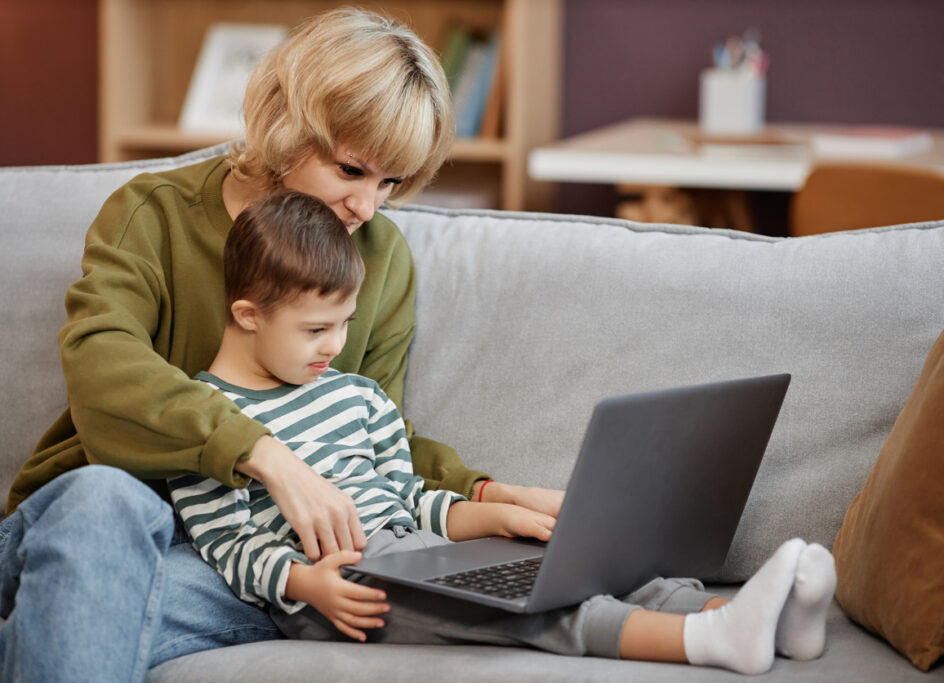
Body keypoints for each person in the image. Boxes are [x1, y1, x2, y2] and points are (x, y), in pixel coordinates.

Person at [0, 8, 560, 682]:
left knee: (104, 618)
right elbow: (101, 365)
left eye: (390, 182)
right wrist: (268, 457)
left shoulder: (381, 257)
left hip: (236, 563)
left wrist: (491, 491)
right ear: (286, 125)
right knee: (104, 505)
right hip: (104, 520)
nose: (366, 207)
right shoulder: (153, 214)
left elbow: (374, 433)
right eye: (351, 168)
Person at [169, 190, 838, 676]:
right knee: (521, 613)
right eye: (315, 329)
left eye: (344, 324)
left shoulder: (355, 395)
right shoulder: (205, 418)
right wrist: (302, 583)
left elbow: (409, 496)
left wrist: (491, 516)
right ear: (248, 315)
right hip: (343, 590)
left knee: (561, 568)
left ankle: (772, 618)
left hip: (417, 551)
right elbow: (227, 543)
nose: (334, 346)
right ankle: (708, 637)